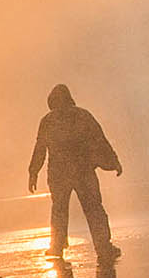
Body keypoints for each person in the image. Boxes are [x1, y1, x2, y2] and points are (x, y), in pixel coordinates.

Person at [28, 84, 121, 260]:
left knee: (61, 210)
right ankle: (102, 246)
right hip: (82, 171)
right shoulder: (82, 116)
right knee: (92, 208)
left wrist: (33, 172)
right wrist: (113, 161)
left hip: (61, 174)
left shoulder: (48, 121)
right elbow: (100, 141)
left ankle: (58, 246)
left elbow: (40, 148)